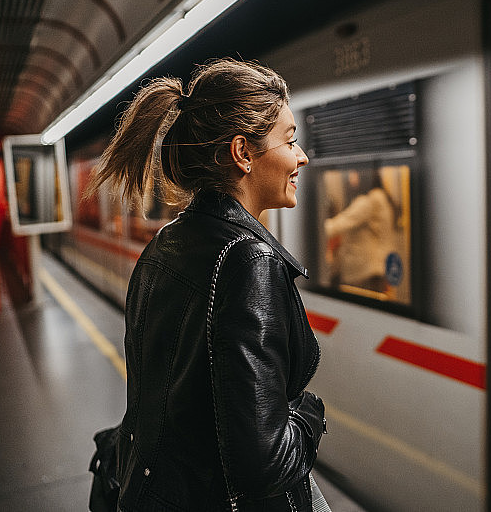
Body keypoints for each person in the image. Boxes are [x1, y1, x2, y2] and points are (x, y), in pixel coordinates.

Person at [87, 59, 327, 512]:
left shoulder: (165, 242)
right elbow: (265, 465)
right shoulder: (248, 261)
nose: (302, 156)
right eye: (290, 140)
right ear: (243, 153)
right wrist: (309, 413)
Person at [324, 170, 396, 294]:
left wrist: (315, 228)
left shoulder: (369, 200)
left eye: (355, 173)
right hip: (377, 268)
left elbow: (337, 225)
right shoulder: (382, 197)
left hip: (365, 270)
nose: (351, 177)